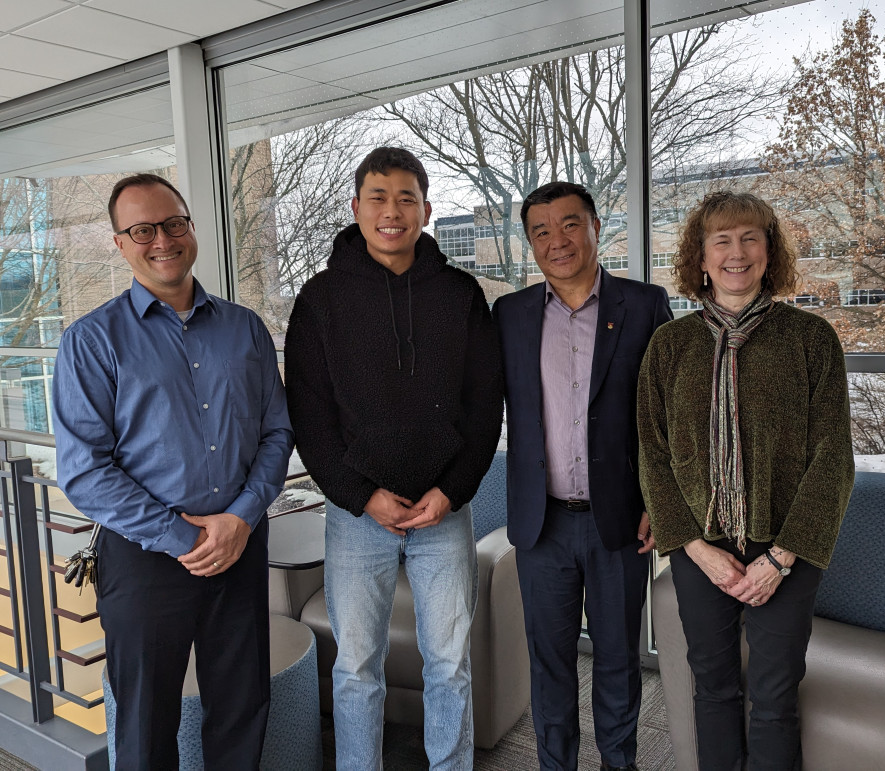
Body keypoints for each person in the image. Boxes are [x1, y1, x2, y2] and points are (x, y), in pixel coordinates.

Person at [53, 174, 293, 769]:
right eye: (142, 229)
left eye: (174, 223)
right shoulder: (90, 342)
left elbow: (276, 433)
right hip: (144, 558)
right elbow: (84, 470)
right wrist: (184, 537)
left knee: (241, 707)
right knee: (144, 720)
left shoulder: (245, 329)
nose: (162, 239)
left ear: (191, 227)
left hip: (239, 547)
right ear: (119, 243)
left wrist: (239, 519)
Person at [284, 146, 503, 770]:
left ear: (426, 210)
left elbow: (485, 407)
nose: (392, 211)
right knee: (356, 667)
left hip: (444, 512)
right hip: (358, 517)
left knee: (451, 663)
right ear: (356, 209)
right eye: (378, 198)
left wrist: (452, 491)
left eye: (406, 198)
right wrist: (361, 495)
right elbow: (310, 416)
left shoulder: (461, 295)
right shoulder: (319, 300)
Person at [637, 191, 855, 770]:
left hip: (785, 549)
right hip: (699, 548)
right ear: (700, 258)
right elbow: (654, 455)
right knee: (712, 687)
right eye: (722, 241)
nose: (737, 253)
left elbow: (833, 458)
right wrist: (695, 549)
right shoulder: (669, 346)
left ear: (769, 249)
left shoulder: (811, 340)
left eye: (750, 237)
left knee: (775, 696)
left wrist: (781, 558)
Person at [492, 181, 672, 771]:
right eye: (540, 231)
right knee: (550, 662)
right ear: (529, 244)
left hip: (618, 521)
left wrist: (659, 500)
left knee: (619, 660)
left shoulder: (644, 306)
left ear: (596, 227)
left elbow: (667, 416)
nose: (556, 241)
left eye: (569, 224)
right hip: (541, 522)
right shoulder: (511, 314)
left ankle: (620, 763)